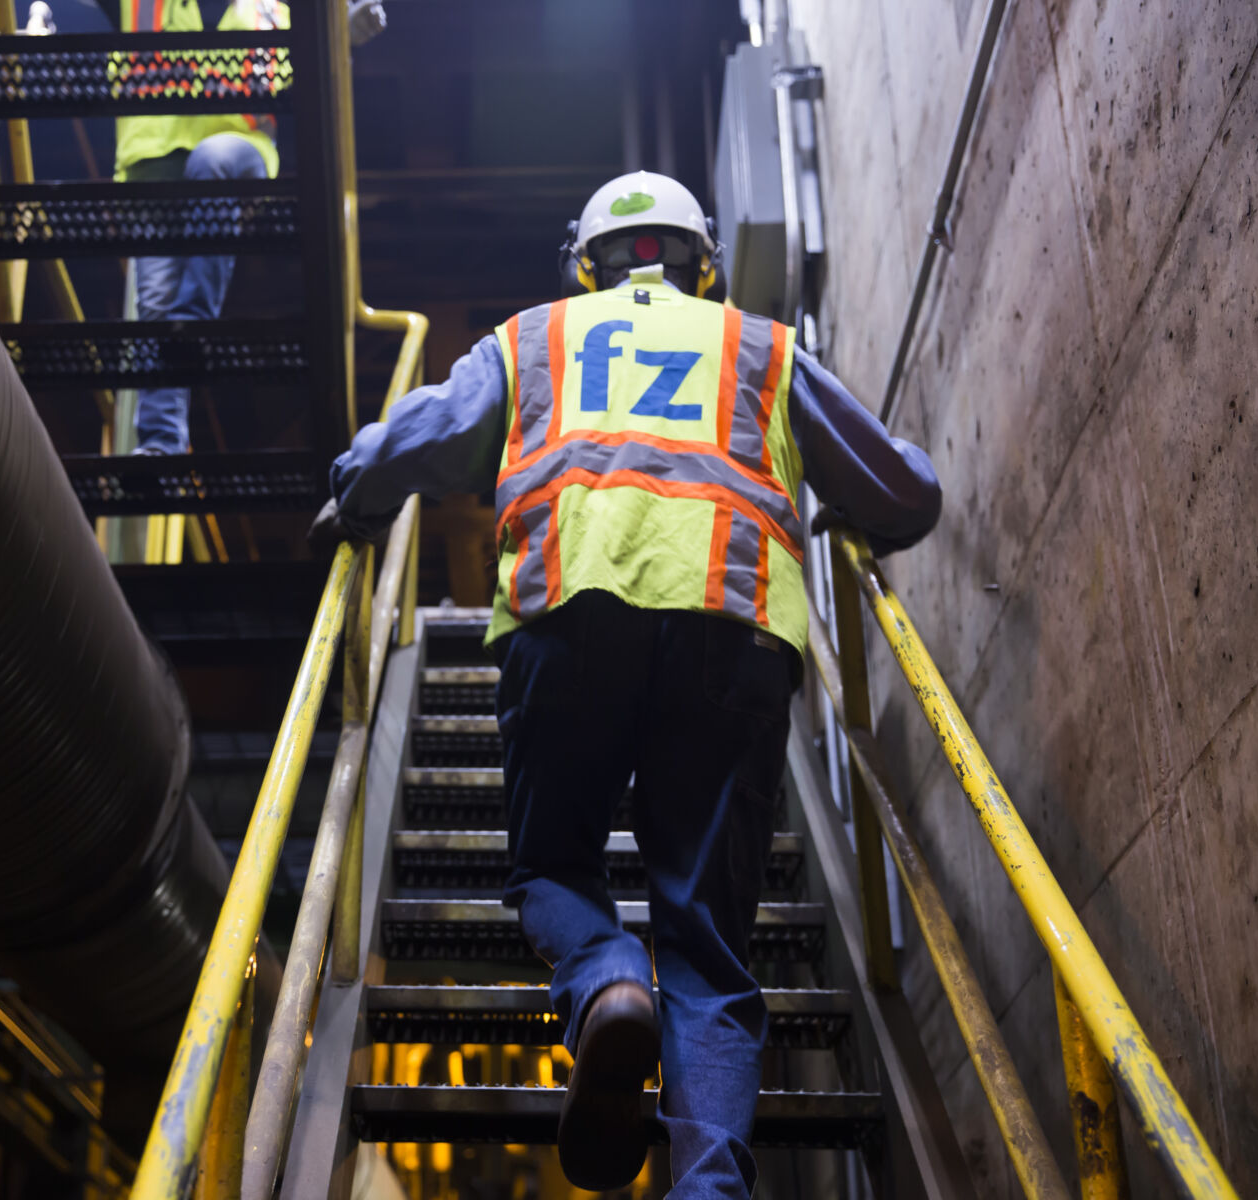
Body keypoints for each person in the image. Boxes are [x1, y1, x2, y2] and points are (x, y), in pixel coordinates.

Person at [309, 172, 942, 1197]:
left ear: (585, 263)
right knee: (707, 945)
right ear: (704, 264)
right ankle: (708, 1187)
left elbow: (422, 434)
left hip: (569, 621)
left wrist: (356, 496)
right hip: (733, 636)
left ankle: (606, 984)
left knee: (553, 869)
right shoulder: (760, 348)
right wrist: (874, 510)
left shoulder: (535, 339)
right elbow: (904, 491)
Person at [117, 0, 385, 454]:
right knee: (156, 307)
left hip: (237, 150)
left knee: (212, 160)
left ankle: (196, 321)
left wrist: (344, 32)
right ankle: (161, 444)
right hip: (154, 166)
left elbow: (314, 62)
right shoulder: (145, 4)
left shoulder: (269, 9)